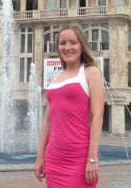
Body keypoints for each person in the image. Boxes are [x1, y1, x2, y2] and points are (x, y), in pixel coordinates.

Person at [34, 25, 105, 187]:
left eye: (73, 42)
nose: (67, 47)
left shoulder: (91, 72)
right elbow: (48, 121)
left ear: (82, 45)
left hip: (80, 156)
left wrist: (92, 158)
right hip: (54, 157)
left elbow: (97, 117)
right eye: (62, 43)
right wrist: (40, 157)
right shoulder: (54, 78)